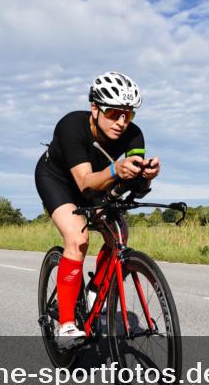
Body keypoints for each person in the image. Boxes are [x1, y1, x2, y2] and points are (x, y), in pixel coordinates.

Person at [34, 71, 160, 345]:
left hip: (96, 181)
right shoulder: (71, 126)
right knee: (78, 238)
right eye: (114, 113)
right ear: (95, 108)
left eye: (128, 114)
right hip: (58, 180)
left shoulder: (134, 135)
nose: (122, 122)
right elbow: (85, 183)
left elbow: (133, 185)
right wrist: (116, 169)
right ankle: (66, 324)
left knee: (119, 233)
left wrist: (146, 176)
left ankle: (94, 291)